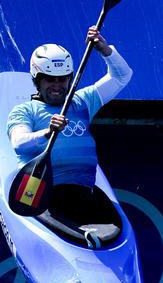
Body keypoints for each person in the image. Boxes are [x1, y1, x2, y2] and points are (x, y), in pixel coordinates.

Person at [7, 27, 132, 246]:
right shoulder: (24, 111)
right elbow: (19, 143)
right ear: (37, 79)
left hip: (83, 196)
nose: (57, 86)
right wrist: (47, 132)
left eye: (62, 80)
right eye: (49, 80)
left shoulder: (82, 102)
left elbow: (122, 76)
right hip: (43, 198)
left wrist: (105, 50)